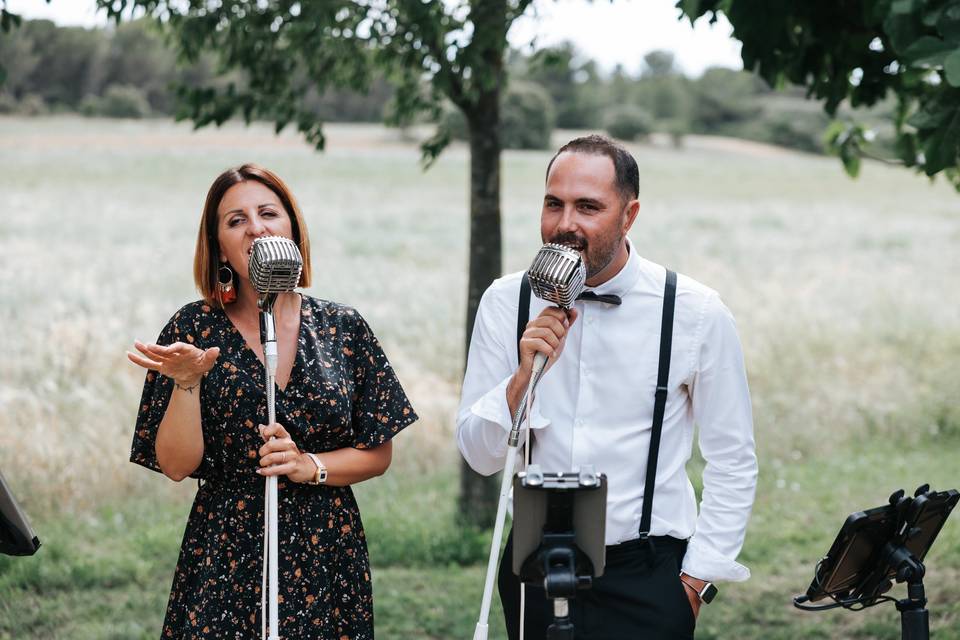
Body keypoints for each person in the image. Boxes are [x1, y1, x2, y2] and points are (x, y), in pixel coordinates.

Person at [457, 135, 757, 640]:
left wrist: (695, 581)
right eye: (554, 204)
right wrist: (521, 382)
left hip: (648, 574)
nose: (565, 224)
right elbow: (480, 456)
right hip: (533, 566)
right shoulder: (506, 301)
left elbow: (733, 458)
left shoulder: (694, 312)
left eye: (588, 207)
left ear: (629, 215)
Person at [127, 163, 417, 639]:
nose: (256, 227)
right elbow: (177, 466)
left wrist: (310, 465)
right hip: (225, 549)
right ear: (219, 244)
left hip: (326, 550)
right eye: (236, 220)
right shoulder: (192, 329)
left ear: (292, 229)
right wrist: (186, 383)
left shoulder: (343, 327)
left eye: (268, 213)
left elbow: (378, 453)